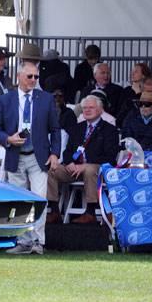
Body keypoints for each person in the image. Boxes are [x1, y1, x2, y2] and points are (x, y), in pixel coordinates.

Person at [0, 61, 60, 255]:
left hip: (38, 157)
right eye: (29, 76)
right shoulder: (6, 100)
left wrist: (55, 153)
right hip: (16, 155)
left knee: (39, 199)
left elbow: (55, 129)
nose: (33, 80)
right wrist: (8, 139)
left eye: (36, 77)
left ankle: (39, 241)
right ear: (19, 77)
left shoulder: (46, 99)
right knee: (19, 200)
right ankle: (23, 241)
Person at [46, 96, 119, 225]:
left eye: (91, 107)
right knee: (53, 169)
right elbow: (67, 151)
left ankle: (90, 212)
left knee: (90, 170)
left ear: (100, 110)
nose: (87, 110)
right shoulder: (77, 128)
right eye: (85, 108)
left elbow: (110, 156)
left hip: (97, 168)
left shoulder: (110, 130)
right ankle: (54, 211)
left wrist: (86, 165)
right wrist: (69, 163)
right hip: (74, 169)